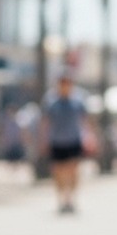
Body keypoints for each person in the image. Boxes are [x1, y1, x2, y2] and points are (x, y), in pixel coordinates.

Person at [40, 73, 90, 214]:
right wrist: (44, 140)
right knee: (58, 172)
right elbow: (45, 123)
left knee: (73, 171)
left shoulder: (78, 101)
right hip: (56, 141)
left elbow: (84, 121)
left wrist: (89, 137)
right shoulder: (51, 101)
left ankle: (71, 199)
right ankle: (61, 199)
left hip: (74, 140)